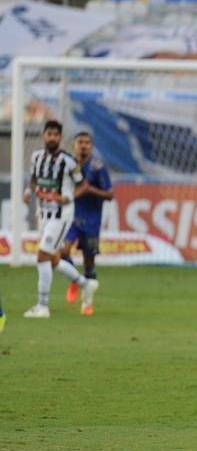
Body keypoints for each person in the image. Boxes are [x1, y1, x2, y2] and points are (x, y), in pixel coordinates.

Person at [22, 120, 96, 319]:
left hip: (61, 215)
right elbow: (34, 178)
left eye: (56, 134)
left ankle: (43, 306)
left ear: (60, 137)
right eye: (49, 134)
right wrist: (28, 191)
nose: (52, 137)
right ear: (44, 136)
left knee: (42, 256)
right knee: (53, 259)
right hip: (43, 214)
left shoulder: (69, 161)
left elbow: (83, 185)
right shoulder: (36, 156)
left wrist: (68, 197)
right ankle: (85, 284)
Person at [62, 131, 113, 316]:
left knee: (89, 261)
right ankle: (75, 280)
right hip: (70, 218)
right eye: (80, 142)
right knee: (63, 251)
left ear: (91, 146)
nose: (83, 145)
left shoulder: (98, 167)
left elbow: (110, 194)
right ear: (74, 145)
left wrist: (89, 189)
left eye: (87, 142)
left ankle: (87, 303)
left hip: (91, 221)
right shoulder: (67, 164)